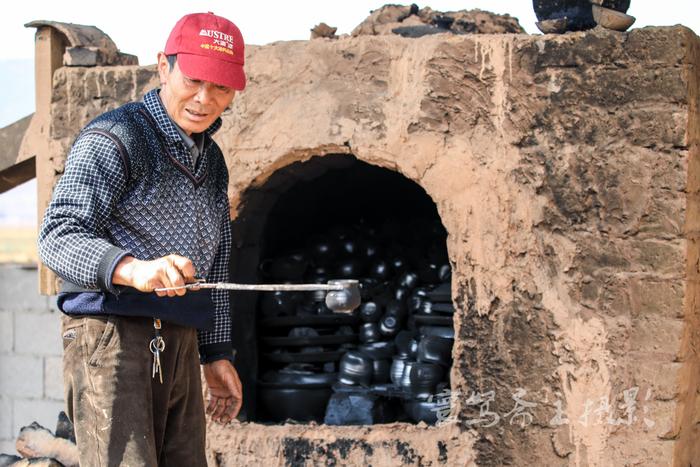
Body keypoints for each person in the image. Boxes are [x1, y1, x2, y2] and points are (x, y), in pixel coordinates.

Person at [38, 12, 245, 466]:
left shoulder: (212, 161)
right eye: (193, 80)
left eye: (221, 88)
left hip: (181, 341)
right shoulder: (116, 138)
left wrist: (215, 353)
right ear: (164, 67)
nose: (205, 99)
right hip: (112, 338)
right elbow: (57, 236)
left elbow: (219, 260)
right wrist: (135, 270)